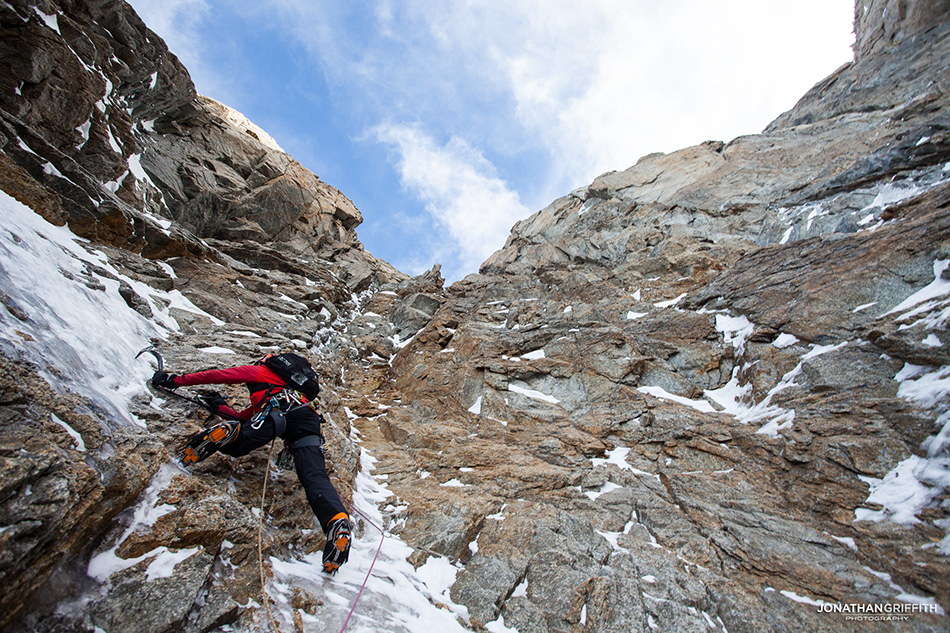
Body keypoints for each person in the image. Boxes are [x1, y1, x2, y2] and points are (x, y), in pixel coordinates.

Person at [151, 354, 351, 574]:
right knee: (315, 477)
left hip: (275, 412)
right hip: (306, 419)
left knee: (239, 443)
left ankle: (228, 434)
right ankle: (336, 521)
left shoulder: (260, 372)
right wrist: (221, 406)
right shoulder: (297, 392)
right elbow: (245, 416)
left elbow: (217, 376)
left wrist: (174, 380)